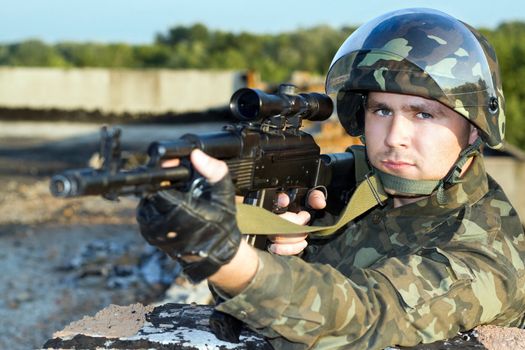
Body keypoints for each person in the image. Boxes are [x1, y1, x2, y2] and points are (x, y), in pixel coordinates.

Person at [136, 8, 525, 349]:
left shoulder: (486, 254)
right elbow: (274, 311)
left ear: (474, 129)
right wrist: (268, 241)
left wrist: (229, 260)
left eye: (423, 114)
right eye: (381, 111)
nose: (394, 138)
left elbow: (364, 315)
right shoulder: (353, 185)